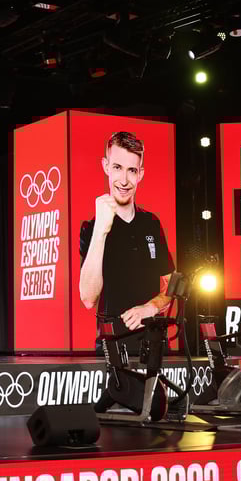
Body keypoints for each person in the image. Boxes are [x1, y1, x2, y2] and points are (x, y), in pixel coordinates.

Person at [79, 131, 176, 341]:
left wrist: (151, 307)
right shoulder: (92, 227)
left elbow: (171, 284)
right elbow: (88, 298)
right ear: (106, 166)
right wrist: (101, 230)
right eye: (117, 167)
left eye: (131, 170)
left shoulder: (151, 223)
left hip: (154, 343)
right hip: (111, 345)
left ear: (140, 174)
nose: (124, 180)